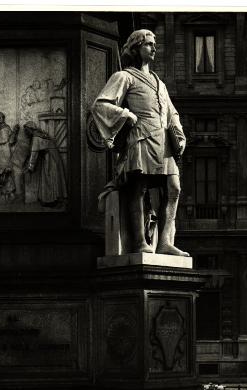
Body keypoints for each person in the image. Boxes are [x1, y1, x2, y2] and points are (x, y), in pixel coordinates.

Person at [91, 29, 189, 256]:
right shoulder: (124, 76)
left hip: (163, 142)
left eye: (154, 44)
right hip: (141, 138)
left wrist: (179, 135)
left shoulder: (160, 83)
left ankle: (165, 241)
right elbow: (101, 104)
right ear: (135, 48)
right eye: (148, 44)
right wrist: (126, 115)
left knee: (173, 188)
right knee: (139, 189)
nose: (154, 48)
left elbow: (171, 113)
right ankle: (139, 242)